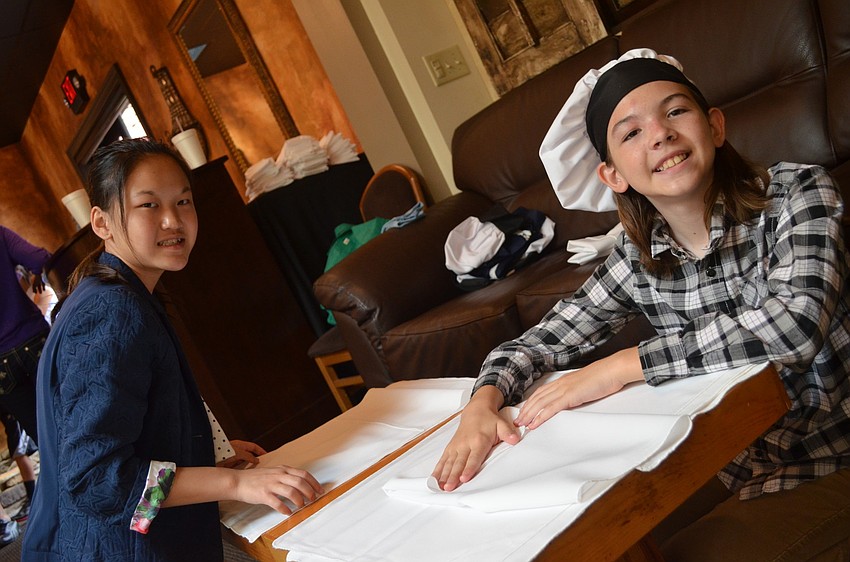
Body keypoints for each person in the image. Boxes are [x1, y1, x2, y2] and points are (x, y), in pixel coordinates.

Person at [432, 49, 850, 560]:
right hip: (736, 458)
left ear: (714, 126)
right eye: (631, 133)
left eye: (676, 111)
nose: (660, 134)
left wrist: (623, 365)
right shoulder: (638, 258)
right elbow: (544, 338)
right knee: (592, 539)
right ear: (613, 177)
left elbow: (795, 324)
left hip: (833, 453)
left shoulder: (798, 192)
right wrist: (485, 399)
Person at [22, 138, 323, 561]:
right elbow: (98, 480)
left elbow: (129, 431)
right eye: (149, 205)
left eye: (183, 201)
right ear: (102, 222)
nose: (173, 220)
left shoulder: (117, 292)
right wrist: (235, 485)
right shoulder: (113, 311)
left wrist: (200, 455)